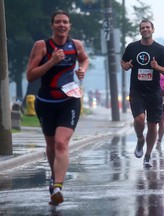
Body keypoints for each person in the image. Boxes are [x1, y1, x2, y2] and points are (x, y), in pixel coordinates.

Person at [26, 10, 89, 206]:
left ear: (69, 26)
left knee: (62, 143)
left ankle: (58, 187)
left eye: (65, 22)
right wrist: (52, 62)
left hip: (69, 100)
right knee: (52, 145)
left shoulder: (76, 45)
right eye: (58, 22)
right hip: (46, 102)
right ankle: (54, 179)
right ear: (52, 25)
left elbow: (84, 59)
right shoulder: (42, 46)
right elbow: (30, 75)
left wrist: (82, 70)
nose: (62, 25)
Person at [121, 19, 164, 168]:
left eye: (147, 27)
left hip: (155, 92)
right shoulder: (132, 47)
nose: (145, 29)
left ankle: (148, 155)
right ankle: (139, 139)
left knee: (152, 125)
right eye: (142, 28)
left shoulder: (160, 49)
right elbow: (123, 62)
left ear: (153, 30)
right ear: (140, 31)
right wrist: (126, 65)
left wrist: (157, 67)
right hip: (137, 91)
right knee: (139, 119)